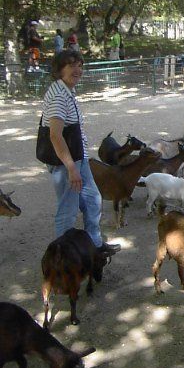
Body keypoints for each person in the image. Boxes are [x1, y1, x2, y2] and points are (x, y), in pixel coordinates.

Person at [41, 50, 120, 254]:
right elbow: (55, 136)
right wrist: (70, 168)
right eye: (71, 65)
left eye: (80, 65)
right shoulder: (59, 95)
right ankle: (64, 257)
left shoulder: (66, 91)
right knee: (67, 210)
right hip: (67, 162)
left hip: (78, 158)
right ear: (59, 70)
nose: (78, 70)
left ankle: (94, 245)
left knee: (93, 200)